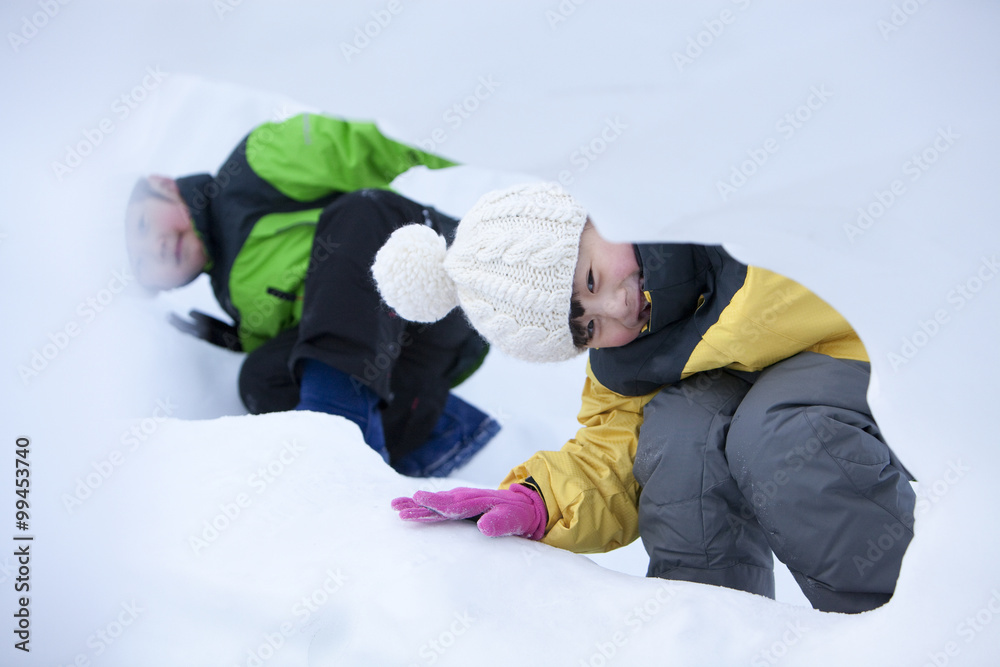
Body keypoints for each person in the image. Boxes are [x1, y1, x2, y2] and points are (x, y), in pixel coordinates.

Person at [375, 182, 916, 613]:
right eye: (586, 328)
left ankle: (911, 626)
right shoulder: (633, 359)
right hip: (793, 388)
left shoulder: (710, 205)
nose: (615, 308)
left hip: (889, 347)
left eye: (590, 278)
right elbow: (613, 451)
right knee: (680, 432)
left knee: (775, 433)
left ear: (600, 214)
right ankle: (720, 634)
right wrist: (538, 501)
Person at [123, 112, 499, 477]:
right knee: (261, 378)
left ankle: (336, 429)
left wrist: (484, 132)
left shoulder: (257, 166)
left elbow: (371, 139)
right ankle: (418, 446)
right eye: (141, 265)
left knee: (359, 213)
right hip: (410, 355)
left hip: (438, 275)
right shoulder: (232, 300)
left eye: (141, 224)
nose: (153, 247)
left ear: (162, 183)